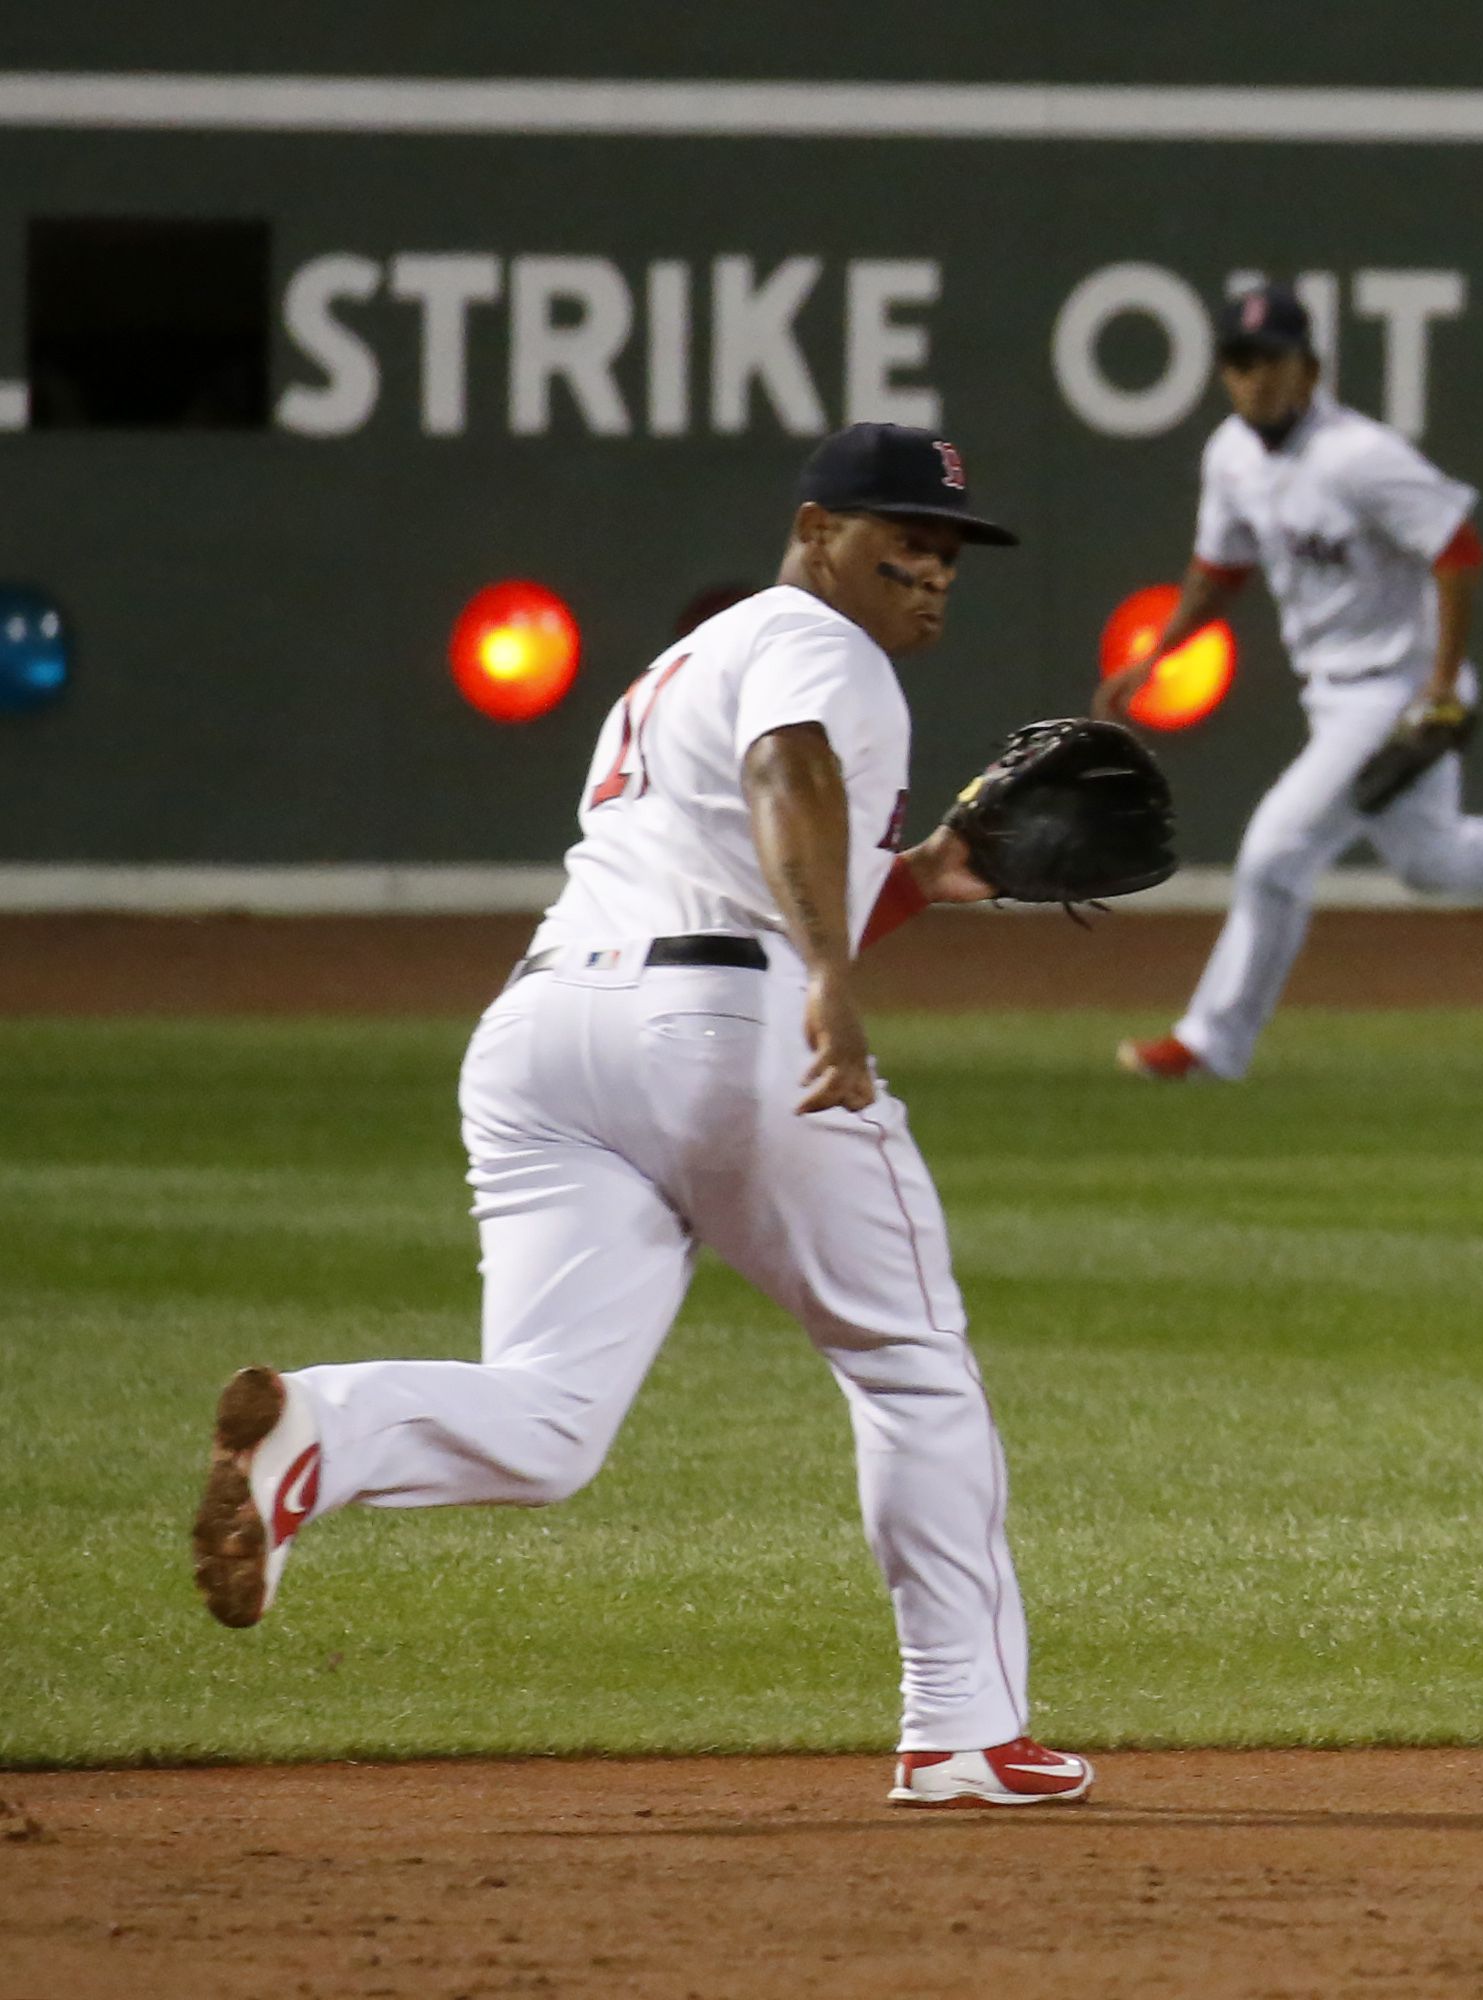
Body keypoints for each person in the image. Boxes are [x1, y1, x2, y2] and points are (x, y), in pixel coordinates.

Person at [190, 423, 1096, 1807]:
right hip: (719, 1030)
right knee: (911, 1362)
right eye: (897, 538)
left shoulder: (675, 673)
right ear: (812, 533)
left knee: (549, 1421)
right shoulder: (812, 641)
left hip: (546, 1036)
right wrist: (836, 986)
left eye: (947, 550)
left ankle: (321, 1429)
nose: (929, 569)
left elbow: (749, 862)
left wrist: (927, 879)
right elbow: (786, 776)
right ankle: (963, 1729)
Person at [1102, 283, 1483, 1081]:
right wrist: (1158, 655)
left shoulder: (1360, 457)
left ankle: (1214, 1044)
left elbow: (1456, 549)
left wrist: (1443, 685)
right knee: (1438, 863)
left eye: (1271, 362)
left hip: (1396, 689)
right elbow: (1220, 570)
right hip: (1333, 695)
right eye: (1239, 364)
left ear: (1310, 369)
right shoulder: (1231, 456)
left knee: (1273, 851)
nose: (1255, 379)